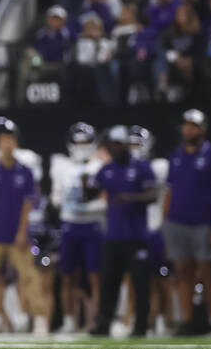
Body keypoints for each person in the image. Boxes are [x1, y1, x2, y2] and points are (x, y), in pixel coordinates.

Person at [0, 118, 49, 334]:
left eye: (10, 140)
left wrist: (22, 232)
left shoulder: (25, 171)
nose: (7, 144)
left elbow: (28, 206)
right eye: (4, 141)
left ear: (15, 143)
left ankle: (40, 319)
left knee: (30, 278)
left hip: (18, 236)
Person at [85, 126, 159, 337]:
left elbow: (153, 195)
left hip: (137, 236)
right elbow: (90, 194)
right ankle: (104, 324)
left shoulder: (142, 167)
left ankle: (141, 326)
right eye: (112, 144)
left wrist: (129, 198)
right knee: (109, 283)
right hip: (113, 237)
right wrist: (85, 183)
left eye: (119, 144)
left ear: (125, 144)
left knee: (140, 285)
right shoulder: (106, 170)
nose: (116, 148)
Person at [161, 109, 211, 335]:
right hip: (177, 222)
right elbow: (169, 191)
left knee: (209, 273)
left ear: (202, 129)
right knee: (182, 272)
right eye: (186, 125)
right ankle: (187, 321)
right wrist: (165, 222)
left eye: (193, 126)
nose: (188, 129)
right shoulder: (175, 155)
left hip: (204, 222)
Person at [50, 122, 105, 333]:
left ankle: (98, 319)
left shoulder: (99, 167)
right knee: (67, 276)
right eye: (78, 142)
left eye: (85, 142)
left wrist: (88, 204)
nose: (81, 146)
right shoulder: (63, 167)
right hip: (70, 225)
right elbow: (55, 197)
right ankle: (69, 320)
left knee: (95, 276)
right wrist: (63, 201)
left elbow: (107, 201)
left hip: (93, 225)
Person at [131, 125, 172, 336]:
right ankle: (136, 320)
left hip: (156, 229)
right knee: (135, 281)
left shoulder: (159, 167)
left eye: (137, 144)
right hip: (135, 231)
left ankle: (164, 320)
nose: (133, 149)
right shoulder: (125, 169)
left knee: (161, 279)